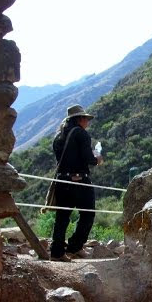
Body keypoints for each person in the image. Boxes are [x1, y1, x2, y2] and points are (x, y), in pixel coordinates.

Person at [49, 104, 103, 262]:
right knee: (87, 214)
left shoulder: (58, 136)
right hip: (80, 180)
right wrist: (98, 159)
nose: (88, 122)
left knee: (62, 217)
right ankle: (74, 246)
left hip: (62, 180)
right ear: (80, 119)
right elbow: (89, 159)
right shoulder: (81, 134)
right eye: (86, 119)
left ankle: (57, 252)